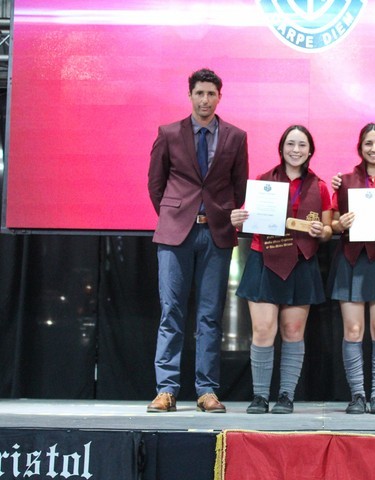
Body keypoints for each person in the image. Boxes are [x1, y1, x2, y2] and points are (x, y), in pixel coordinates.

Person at [146, 68, 249, 413]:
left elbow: (239, 186)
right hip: (176, 234)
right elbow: (155, 184)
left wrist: (219, 214)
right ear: (190, 95)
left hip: (216, 233)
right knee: (171, 311)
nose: (205, 100)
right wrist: (175, 215)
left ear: (220, 96)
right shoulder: (169, 133)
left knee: (210, 316)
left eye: (211, 94)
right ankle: (166, 389)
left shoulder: (236, 136)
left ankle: (206, 390)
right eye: (199, 93)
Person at [231, 125, 332, 414]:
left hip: (301, 261)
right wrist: (238, 219)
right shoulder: (263, 181)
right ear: (281, 148)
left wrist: (322, 230)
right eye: (290, 144)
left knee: (293, 330)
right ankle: (260, 396)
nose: (295, 150)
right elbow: (248, 220)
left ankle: (286, 395)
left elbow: (327, 230)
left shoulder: (319, 186)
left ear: (310, 151)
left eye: (302, 145)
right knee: (263, 330)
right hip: (264, 259)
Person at [327, 123, 375, 415]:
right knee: (353, 330)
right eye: (368, 143)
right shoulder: (344, 181)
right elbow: (333, 222)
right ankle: (358, 395)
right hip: (351, 258)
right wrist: (340, 224)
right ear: (360, 147)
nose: (374, 149)